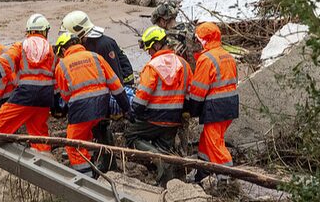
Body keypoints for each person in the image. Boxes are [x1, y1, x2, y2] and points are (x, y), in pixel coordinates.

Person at [0, 13, 56, 152]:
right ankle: (45, 160)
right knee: (38, 132)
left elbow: (1, 65)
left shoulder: (21, 47)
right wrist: (57, 102)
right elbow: (58, 75)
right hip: (45, 97)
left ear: (29, 31)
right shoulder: (51, 51)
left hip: (26, 94)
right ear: (45, 31)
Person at [61, 10, 134, 171]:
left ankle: (108, 164)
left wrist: (122, 106)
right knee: (95, 126)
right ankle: (100, 159)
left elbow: (116, 77)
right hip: (104, 93)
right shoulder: (90, 45)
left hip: (113, 93)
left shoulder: (102, 45)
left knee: (101, 126)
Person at [126, 25, 192, 185]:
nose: (149, 53)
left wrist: (133, 113)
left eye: (149, 49)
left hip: (153, 118)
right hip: (174, 119)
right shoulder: (184, 65)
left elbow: (141, 99)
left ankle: (156, 158)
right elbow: (190, 94)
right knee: (165, 149)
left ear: (156, 45)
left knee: (131, 135)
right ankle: (167, 185)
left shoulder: (152, 67)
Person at [188, 22, 239, 181]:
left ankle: (226, 179)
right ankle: (203, 173)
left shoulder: (206, 59)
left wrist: (192, 110)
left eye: (197, 39)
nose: (196, 43)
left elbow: (198, 90)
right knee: (207, 140)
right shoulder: (227, 56)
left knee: (215, 144)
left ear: (203, 40)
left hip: (216, 107)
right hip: (231, 104)